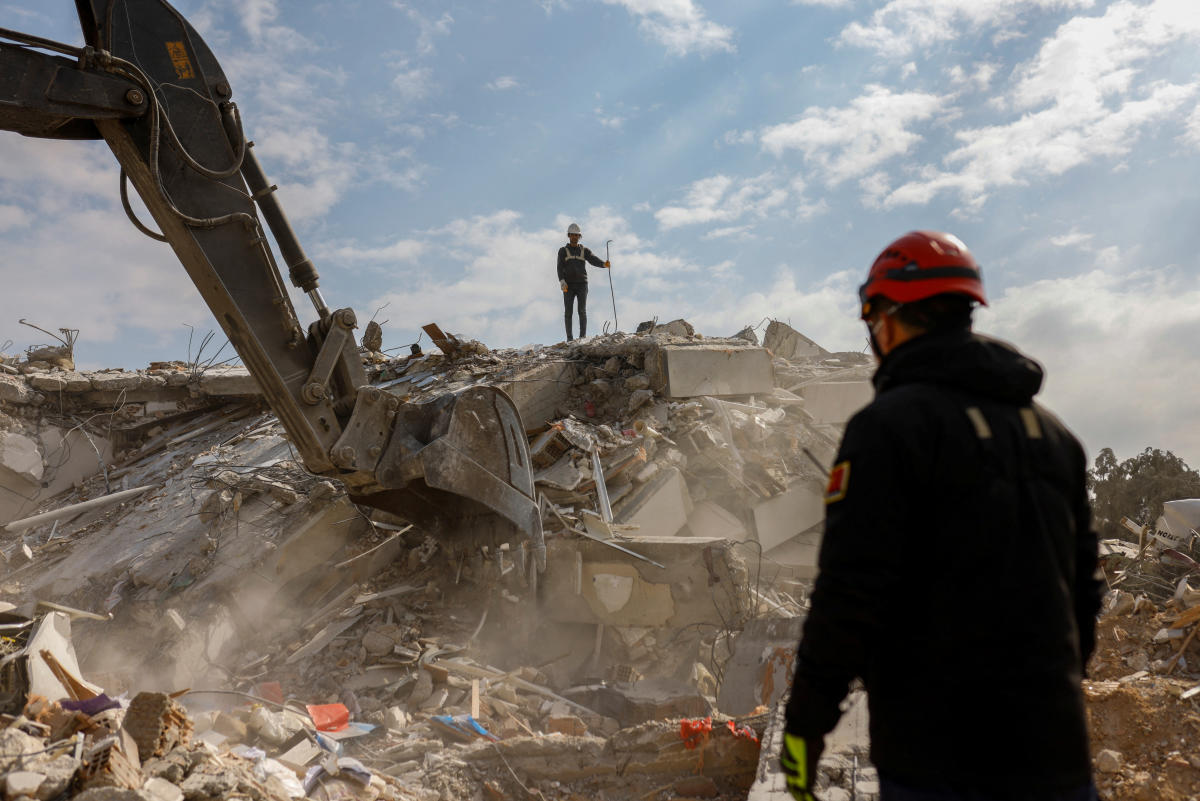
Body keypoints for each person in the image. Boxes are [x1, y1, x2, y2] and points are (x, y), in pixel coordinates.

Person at [780, 231, 1101, 801]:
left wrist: (805, 726)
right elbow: (1084, 594)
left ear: (893, 316)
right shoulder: (1055, 437)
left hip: (937, 760)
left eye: (872, 319)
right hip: (1056, 754)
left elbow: (849, 595)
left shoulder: (888, 429)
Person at [557, 222, 609, 341]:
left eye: (577, 235)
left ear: (579, 236)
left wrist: (603, 264)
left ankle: (582, 338)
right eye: (572, 235)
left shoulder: (584, 250)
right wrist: (562, 281)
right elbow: (559, 267)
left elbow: (593, 259)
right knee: (568, 312)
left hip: (582, 284)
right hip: (568, 285)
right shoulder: (563, 251)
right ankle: (569, 339)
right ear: (569, 235)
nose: (574, 237)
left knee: (582, 311)